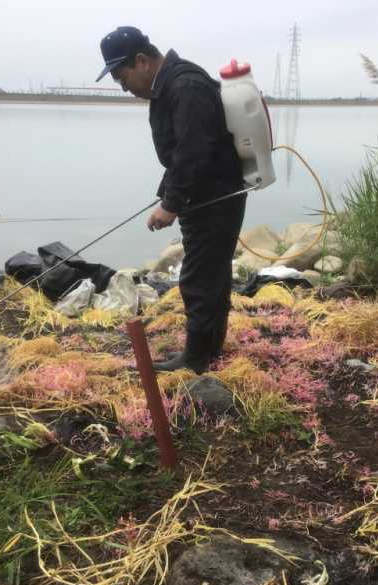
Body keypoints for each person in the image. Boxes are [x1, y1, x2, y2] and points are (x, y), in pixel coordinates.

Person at [95, 26, 246, 375]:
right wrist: (167, 195)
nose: (124, 88)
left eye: (122, 78)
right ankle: (209, 348)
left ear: (142, 61)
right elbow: (180, 153)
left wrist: (171, 204)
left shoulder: (185, 86)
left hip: (215, 197)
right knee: (211, 274)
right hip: (207, 194)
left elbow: (195, 152)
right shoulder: (169, 87)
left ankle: (194, 359)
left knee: (198, 278)